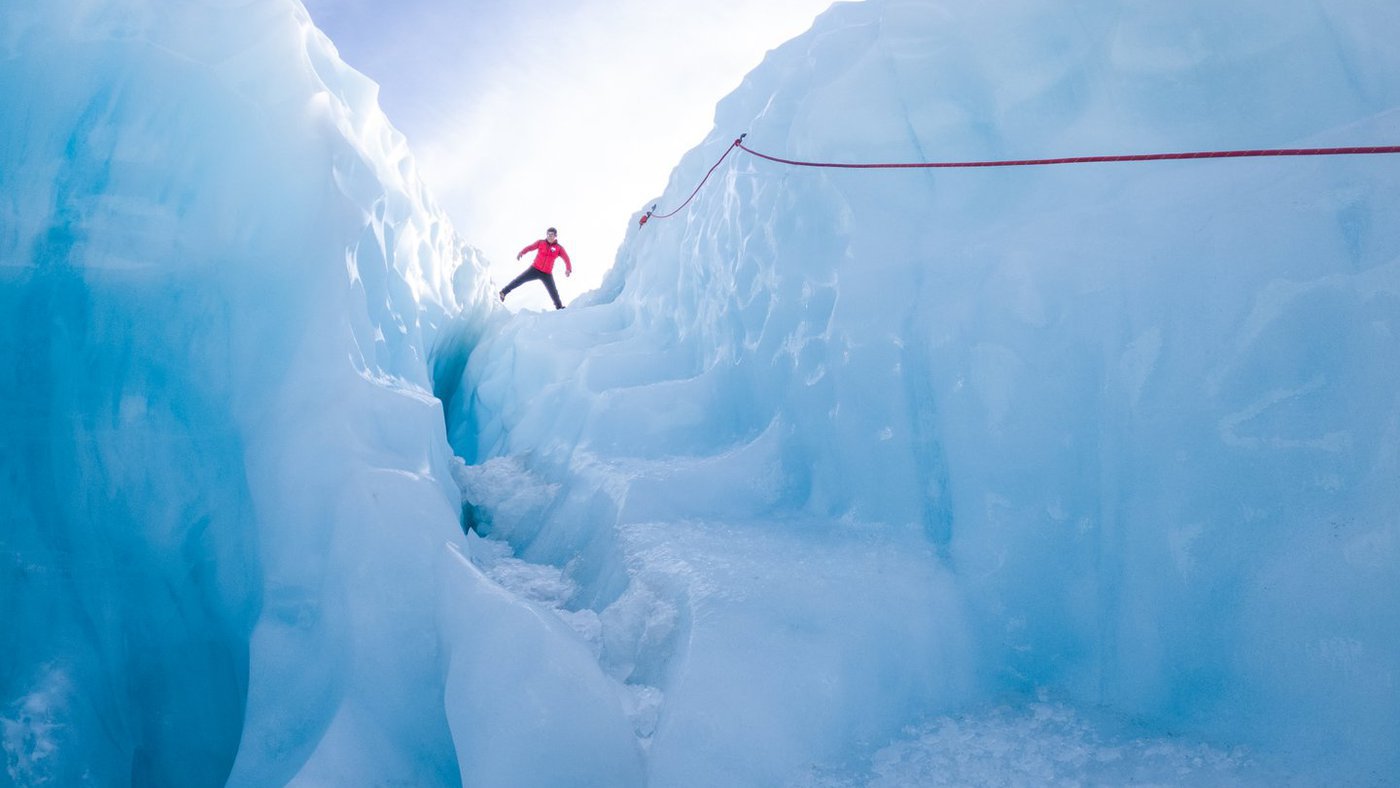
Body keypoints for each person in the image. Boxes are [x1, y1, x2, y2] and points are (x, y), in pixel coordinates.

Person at [499, 227, 572, 309]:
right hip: (534, 269)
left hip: (547, 274)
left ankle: (559, 308)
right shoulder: (541, 242)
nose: (549, 236)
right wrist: (522, 252)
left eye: (551, 235)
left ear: (555, 236)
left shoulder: (559, 248)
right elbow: (530, 247)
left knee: (553, 291)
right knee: (519, 280)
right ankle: (503, 292)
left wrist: (568, 269)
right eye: (548, 234)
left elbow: (566, 258)